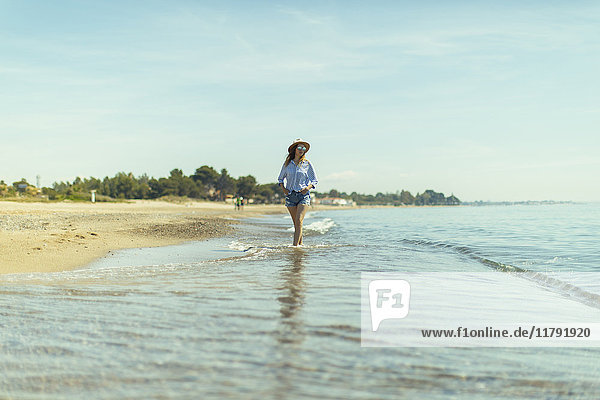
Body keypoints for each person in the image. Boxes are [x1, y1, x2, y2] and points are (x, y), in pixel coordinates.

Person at [277, 138, 318, 246]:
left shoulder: (307, 164)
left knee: (299, 221)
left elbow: (314, 180)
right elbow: (280, 178)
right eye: (299, 147)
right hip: (290, 196)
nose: (302, 150)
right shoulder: (287, 164)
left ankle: (295, 247)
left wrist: (307, 188)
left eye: (303, 148)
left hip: (303, 195)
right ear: (295, 149)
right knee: (296, 223)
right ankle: (301, 245)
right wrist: (284, 189)